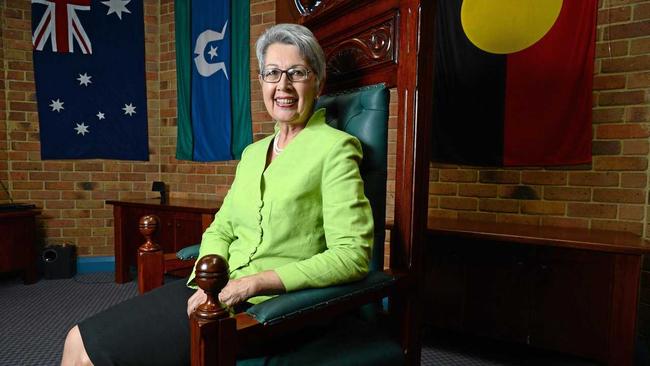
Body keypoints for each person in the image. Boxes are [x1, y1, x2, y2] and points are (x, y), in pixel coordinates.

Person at [61, 23, 373, 366]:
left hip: (272, 307)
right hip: (213, 290)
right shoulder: (254, 152)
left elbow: (352, 254)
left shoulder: (336, 149)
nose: (282, 85)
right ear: (261, 82)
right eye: (272, 73)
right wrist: (208, 280)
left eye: (296, 72)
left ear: (318, 81)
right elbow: (221, 228)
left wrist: (253, 283)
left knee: (92, 357)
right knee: (75, 339)